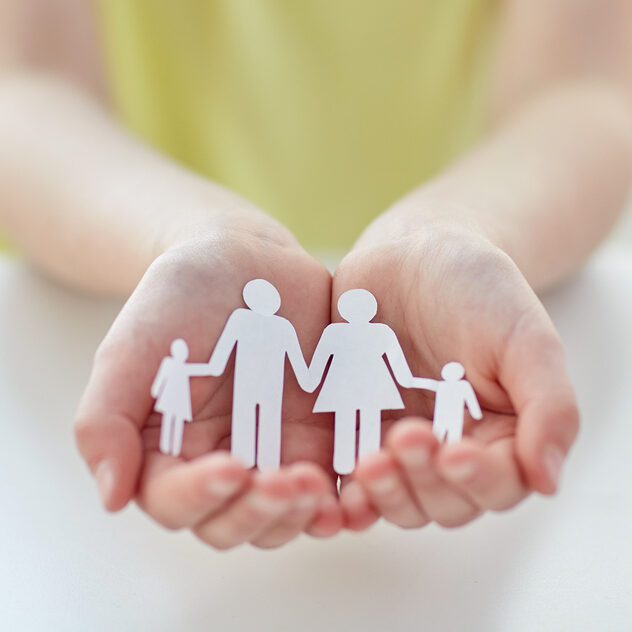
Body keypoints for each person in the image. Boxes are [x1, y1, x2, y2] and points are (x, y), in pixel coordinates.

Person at [1, 1, 631, 548]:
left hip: (512, 236)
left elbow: (580, 89)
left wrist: (451, 234)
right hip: (97, 260)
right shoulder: (265, 329)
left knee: (321, 432)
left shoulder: (323, 331)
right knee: (263, 424)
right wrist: (192, 238)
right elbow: (25, 85)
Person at [305, 289, 416, 475]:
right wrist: (410, 381)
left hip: (344, 384)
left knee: (347, 420)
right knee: (367, 421)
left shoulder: (335, 331)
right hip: (371, 383)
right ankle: (365, 462)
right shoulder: (380, 331)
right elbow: (400, 367)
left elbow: (318, 364)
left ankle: (349, 462)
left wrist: (308, 382)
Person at [207, 279, 311, 470]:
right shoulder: (280, 325)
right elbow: (299, 365)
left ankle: (249, 462)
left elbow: (220, 357)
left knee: (249, 418)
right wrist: (310, 382)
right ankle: (257, 463)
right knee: (265, 420)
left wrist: (206, 368)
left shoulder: (245, 319)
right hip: (265, 384)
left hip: (254, 383)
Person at [151, 338, 212, 457]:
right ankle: (166, 445)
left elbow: (199, 369)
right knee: (169, 420)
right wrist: (156, 390)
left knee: (178, 422)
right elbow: (161, 378)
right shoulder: (168, 363)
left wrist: (211, 368)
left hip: (180, 399)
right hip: (169, 396)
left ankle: (173, 448)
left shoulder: (185, 366)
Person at [413, 362, 483, 445]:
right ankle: (436, 448)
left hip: (454, 416)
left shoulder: (463, 385)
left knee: (453, 437)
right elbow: (428, 384)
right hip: (441, 416)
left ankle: (450, 451)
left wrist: (476, 413)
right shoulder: (442, 385)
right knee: (438, 435)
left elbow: (470, 399)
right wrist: (412, 382)